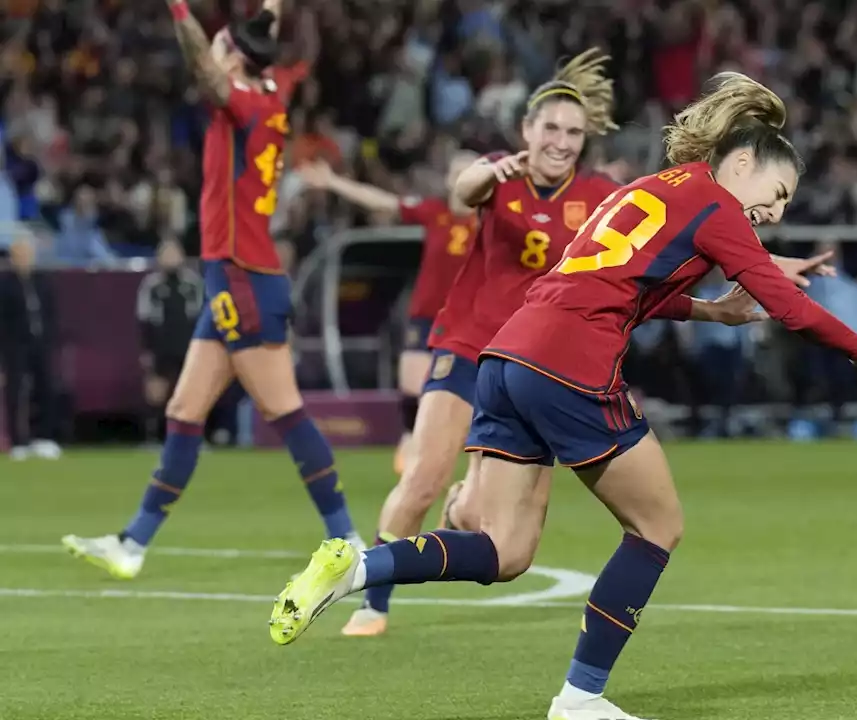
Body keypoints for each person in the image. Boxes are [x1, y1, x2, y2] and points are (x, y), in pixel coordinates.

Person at [268, 72, 857, 720]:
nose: (775, 213)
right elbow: (784, 304)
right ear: (741, 162)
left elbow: (621, 283)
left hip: (509, 354)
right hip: (569, 364)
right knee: (658, 526)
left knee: (505, 551)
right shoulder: (715, 203)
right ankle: (579, 699)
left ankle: (357, 569)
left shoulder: (650, 189)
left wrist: (715, 313)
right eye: (776, 196)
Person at [62, 0, 363, 579]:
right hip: (232, 275)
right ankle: (134, 543)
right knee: (183, 408)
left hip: (243, 276)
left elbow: (204, 67)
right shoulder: (273, 89)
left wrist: (179, 9)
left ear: (235, 62)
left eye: (224, 46)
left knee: (284, 409)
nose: (216, 53)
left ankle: (347, 541)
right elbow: (263, 31)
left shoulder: (244, 104)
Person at [335, 48, 623, 638]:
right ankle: (373, 602)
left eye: (573, 131)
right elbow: (462, 189)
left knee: (495, 525)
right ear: (527, 130)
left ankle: (463, 508)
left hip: (532, 367)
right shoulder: (499, 174)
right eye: (550, 127)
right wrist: (487, 174)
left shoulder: (596, 196)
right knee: (421, 477)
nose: (561, 140)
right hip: (467, 348)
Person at [295, 152, 478, 475]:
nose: (465, 180)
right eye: (459, 173)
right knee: (412, 385)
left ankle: (457, 455)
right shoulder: (433, 212)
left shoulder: (493, 221)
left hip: (470, 324)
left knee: (461, 396)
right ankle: (411, 443)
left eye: (473, 172)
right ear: (449, 180)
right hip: (427, 317)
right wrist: (335, 182)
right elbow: (384, 202)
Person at [0, 234, 62, 460]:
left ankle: (44, 438)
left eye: (27, 254)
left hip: (41, 342)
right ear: (13, 258)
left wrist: (51, 337)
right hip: (15, 345)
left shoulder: (43, 281)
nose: (24, 258)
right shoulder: (5, 284)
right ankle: (18, 441)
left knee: (45, 387)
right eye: (19, 255)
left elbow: (51, 312)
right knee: (16, 392)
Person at [135, 238, 203, 444]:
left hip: (188, 346)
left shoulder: (193, 283)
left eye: (174, 253)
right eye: (166, 253)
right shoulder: (151, 285)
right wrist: (147, 350)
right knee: (157, 392)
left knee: (191, 393)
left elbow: (200, 316)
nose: (170, 258)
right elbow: (144, 318)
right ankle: (154, 437)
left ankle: (193, 438)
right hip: (161, 347)